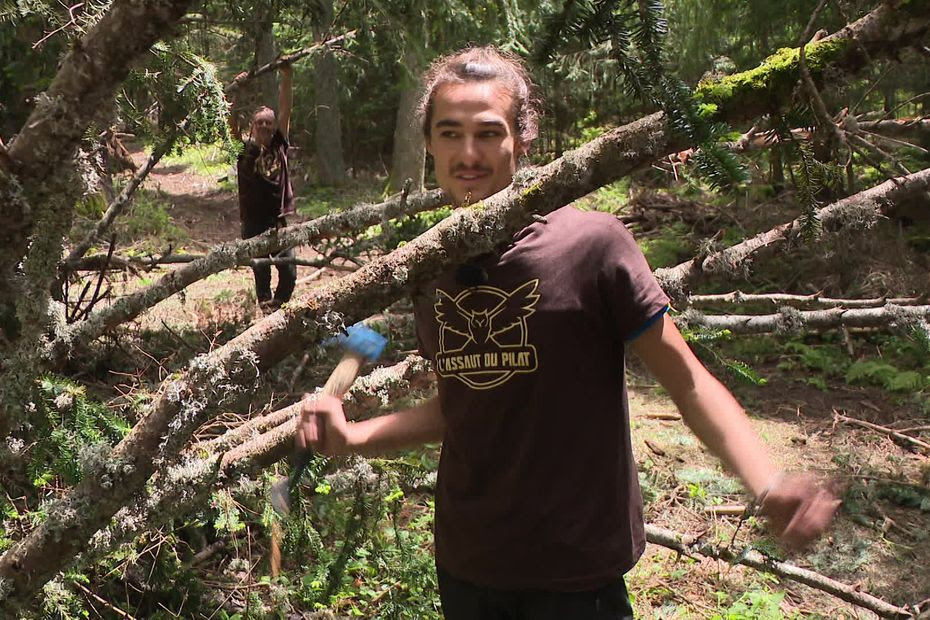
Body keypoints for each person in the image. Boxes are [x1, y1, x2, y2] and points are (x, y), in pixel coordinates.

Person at [297, 47, 839, 619]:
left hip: (576, 572)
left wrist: (766, 479)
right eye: (450, 133)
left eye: (488, 133)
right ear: (429, 143)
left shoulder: (592, 246)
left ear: (522, 140)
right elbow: (465, 405)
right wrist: (355, 438)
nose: (469, 154)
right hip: (467, 562)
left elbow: (687, 383)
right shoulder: (431, 269)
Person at [229, 63, 297, 311]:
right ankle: (267, 314)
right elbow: (231, 124)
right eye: (260, 123)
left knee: (288, 272)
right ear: (253, 127)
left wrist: (287, 77)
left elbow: (285, 110)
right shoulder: (242, 151)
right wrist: (237, 90)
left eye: (269, 123)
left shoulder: (280, 145)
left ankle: (278, 308)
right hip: (253, 223)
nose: (266, 127)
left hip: (278, 222)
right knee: (262, 274)